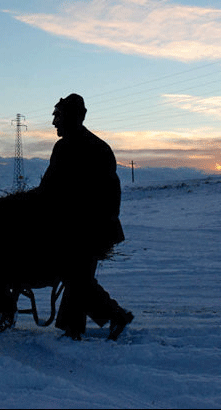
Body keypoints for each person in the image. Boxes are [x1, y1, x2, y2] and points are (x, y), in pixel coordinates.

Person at [38, 93, 133, 340]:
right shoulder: (96, 146)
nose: (54, 123)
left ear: (70, 117)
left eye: (57, 116)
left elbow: (50, 188)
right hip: (90, 226)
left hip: (86, 228)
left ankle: (114, 317)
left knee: (76, 277)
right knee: (77, 277)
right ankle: (75, 329)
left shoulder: (70, 147)